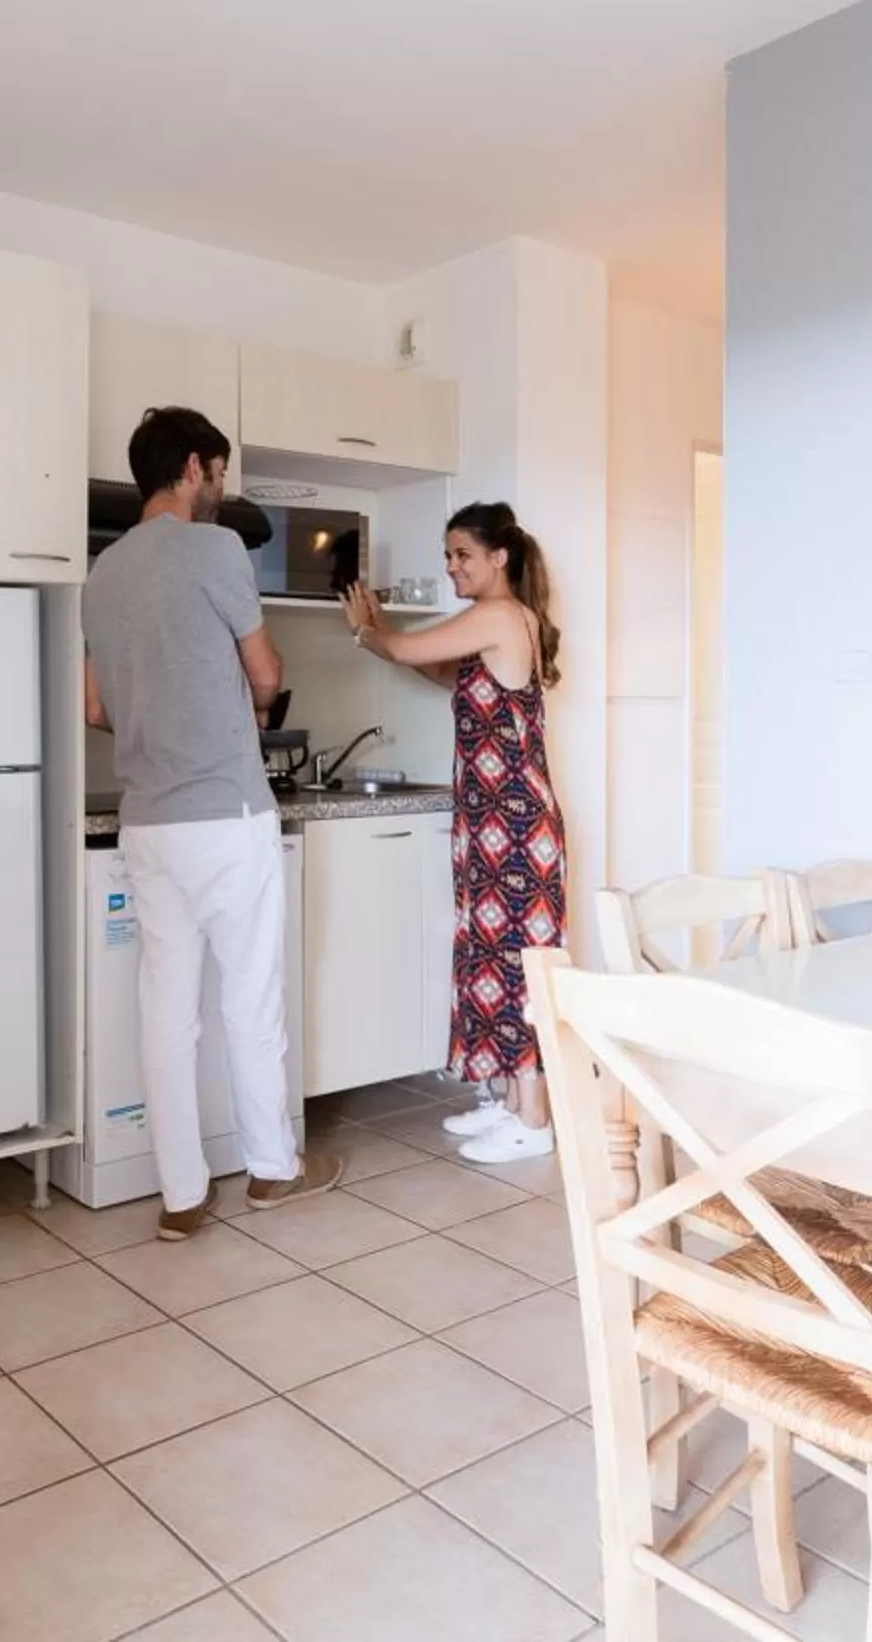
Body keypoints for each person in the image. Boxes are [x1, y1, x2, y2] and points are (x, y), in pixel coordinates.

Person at [82, 407, 343, 1237]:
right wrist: (245, 705)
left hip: (148, 822)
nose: (221, 490)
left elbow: (95, 707)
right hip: (227, 814)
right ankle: (271, 1171)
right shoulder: (218, 549)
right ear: (194, 467)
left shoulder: (104, 573)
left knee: (166, 1011)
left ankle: (182, 1196)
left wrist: (163, 714)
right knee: (250, 997)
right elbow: (263, 672)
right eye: (221, 473)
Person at [338, 501, 567, 1164]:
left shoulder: (498, 614)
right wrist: (384, 635)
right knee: (490, 959)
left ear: (500, 557)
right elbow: (433, 665)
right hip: (494, 822)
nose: (451, 566)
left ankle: (534, 1121)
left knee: (517, 965)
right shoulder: (493, 626)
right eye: (447, 555)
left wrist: (366, 630)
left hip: (516, 823)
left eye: (462, 554)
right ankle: (507, 1101)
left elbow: (409, 648)